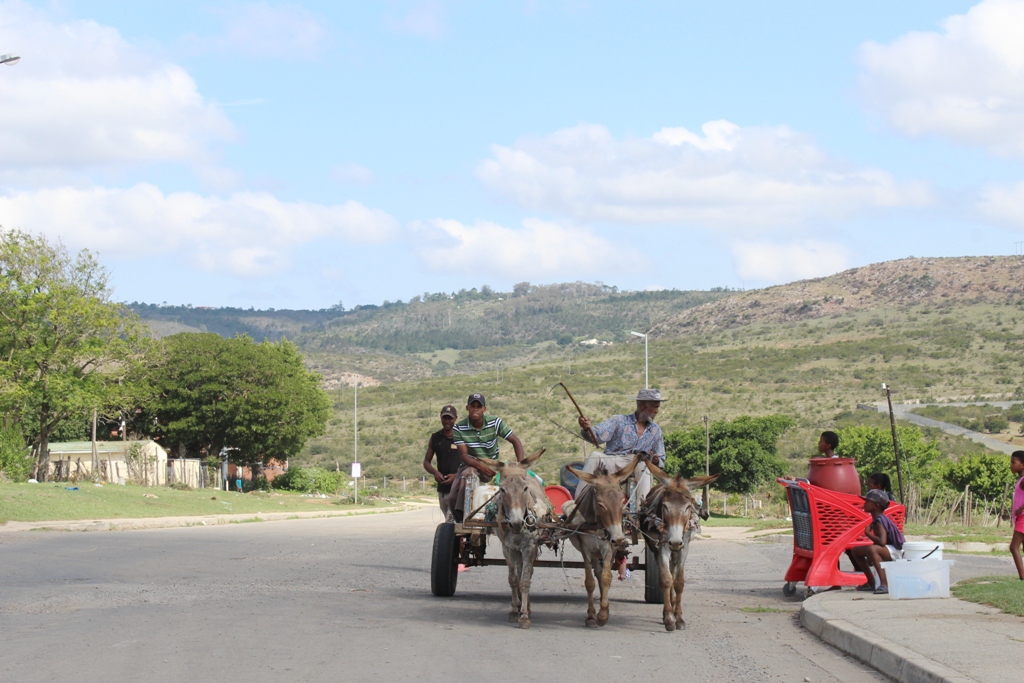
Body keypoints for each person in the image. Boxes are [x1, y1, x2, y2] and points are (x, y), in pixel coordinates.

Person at [577, 388, 667, 580]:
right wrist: (586, 428)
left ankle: (642, 514)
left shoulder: (656, 431)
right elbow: (596, 436)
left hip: (637, 463)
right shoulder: (619, 421)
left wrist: (656, 459)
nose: (657, 411)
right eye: (654, 407)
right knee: (594, 456)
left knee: (645, 466)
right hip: (613, 461)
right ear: (642, 406)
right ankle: (578, 505)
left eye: (657, 407)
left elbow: (662, 459)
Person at [445, 393, 525, 521]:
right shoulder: (459, 428)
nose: (475, 409)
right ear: (467, 408)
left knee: (516, 485)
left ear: (484, 409)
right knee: (452, 498)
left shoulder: (495, 422)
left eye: (478, 406)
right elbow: (463, 455)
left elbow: (516, 441)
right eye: (473, 406)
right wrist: (479, 466)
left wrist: (520, 466)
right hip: (470, 463)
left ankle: (468, 519)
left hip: (490, 464)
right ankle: (461, 521)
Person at [847, 489, 905, 594]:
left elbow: (882, 542)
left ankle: (884, 584)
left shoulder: (879, 520)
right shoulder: (877, 518)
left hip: (897, 551)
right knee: (855, 550)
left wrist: (867, 533)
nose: (864, 504)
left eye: (868, 502)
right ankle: (870, 582)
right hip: (888, 549)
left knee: (872, 549)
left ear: (876, 506)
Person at [422, 405, 461, 519]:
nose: (447, 421)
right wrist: (435, 472)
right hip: (443, 489)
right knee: (448, 519)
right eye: (445, 418)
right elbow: (426, 462)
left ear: (455, 418)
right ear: (441, 418)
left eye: (450, 418)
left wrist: (456, 476)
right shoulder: (435, 438)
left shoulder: (462, 437)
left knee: (451, 521)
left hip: (458, 487)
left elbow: (471, 461)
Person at [1010, 451, 1024, 581]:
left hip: (1023, 519)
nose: (1011, 465)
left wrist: (1021, 508)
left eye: (1014, 462)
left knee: (1014, 547)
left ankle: (1022, 577)